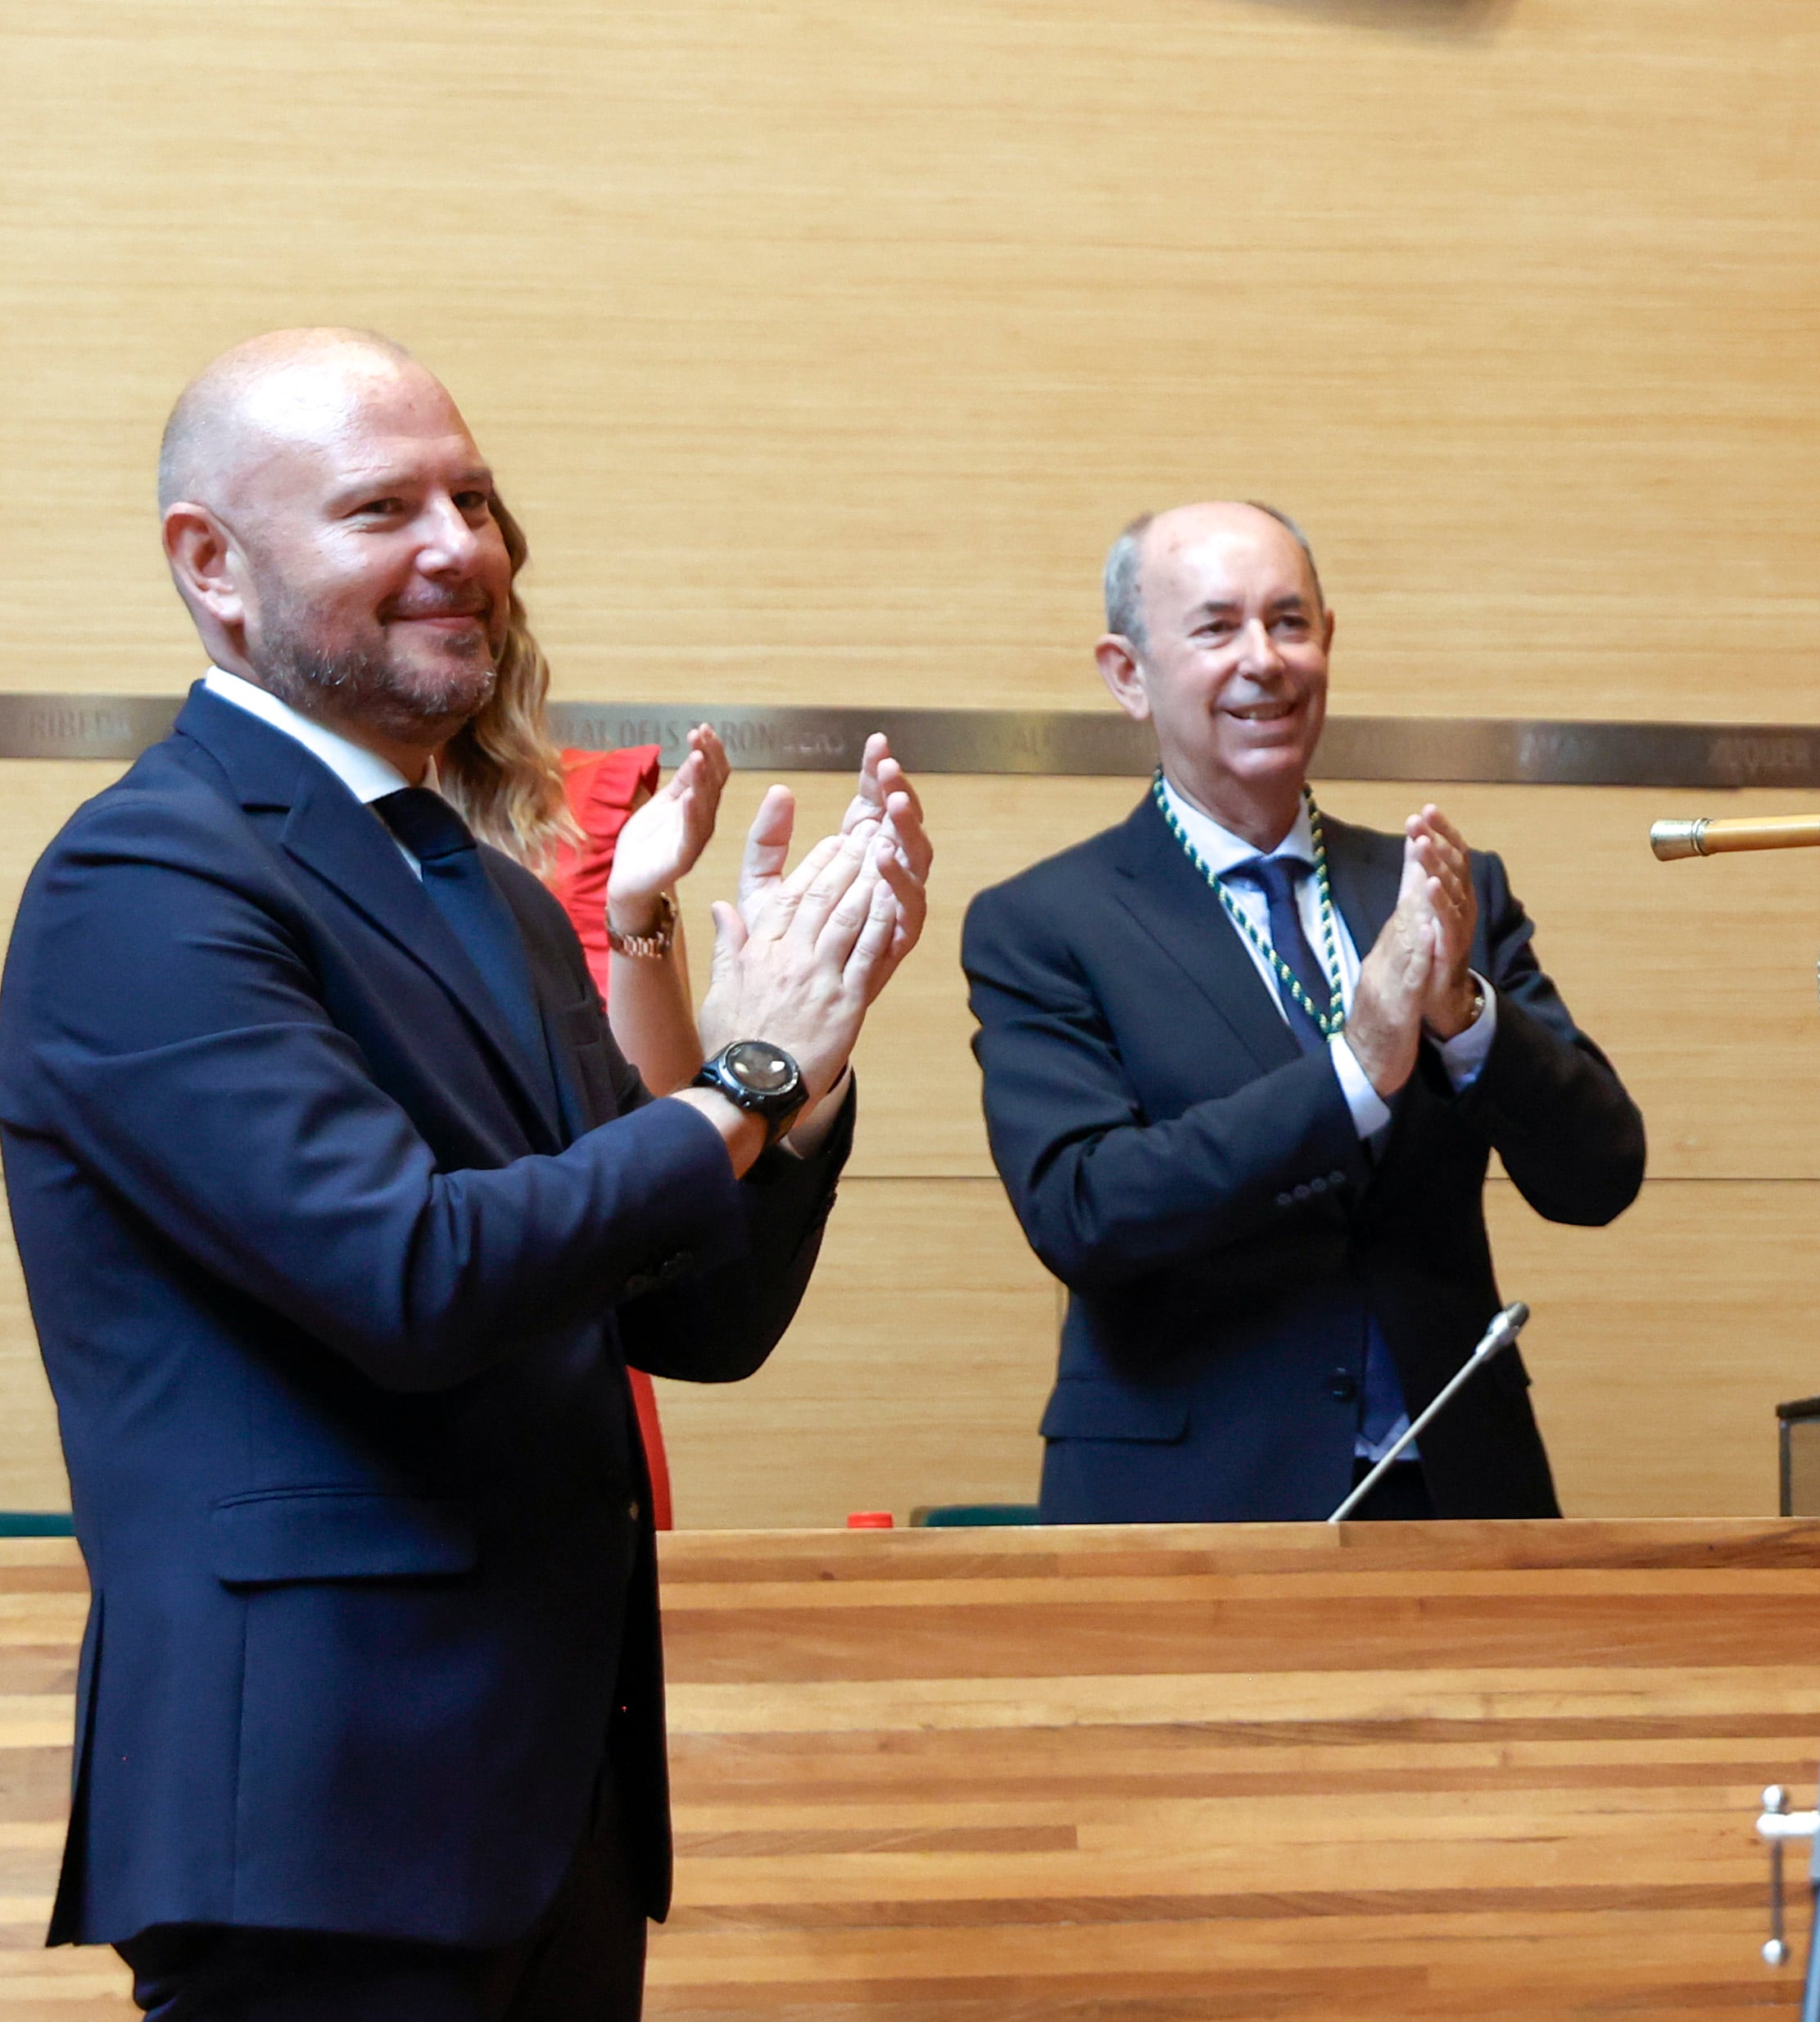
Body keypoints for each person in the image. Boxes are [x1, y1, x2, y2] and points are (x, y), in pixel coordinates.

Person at [0, 326, 934, 2019]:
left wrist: (809, 1062)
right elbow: (414, 1282)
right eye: (383, 508)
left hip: (549, 1798)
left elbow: (691, 1315)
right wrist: (739, 1074)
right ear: (211, 566)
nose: (466, 549)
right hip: (313, 1822)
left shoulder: (489, 894)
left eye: (479, 501)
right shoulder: (143, 877)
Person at [963, 501, 1646, 1523]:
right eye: (1215, 627)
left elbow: (1599, 1175)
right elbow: (1084, 1210)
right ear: (1127, 674)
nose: (1265, 659)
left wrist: (1463, 1015)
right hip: (1188, 1505)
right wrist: (1351, 1074)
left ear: (1329, 641)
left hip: (1457, 1488)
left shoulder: (1439, 888)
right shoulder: (1047, 921)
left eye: (1290, 622)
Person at [443, 501, 745, 1522]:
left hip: (573, 1332)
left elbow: (656, 1114)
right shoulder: (238, 842)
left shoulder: (588, 809)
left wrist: (637, 906)